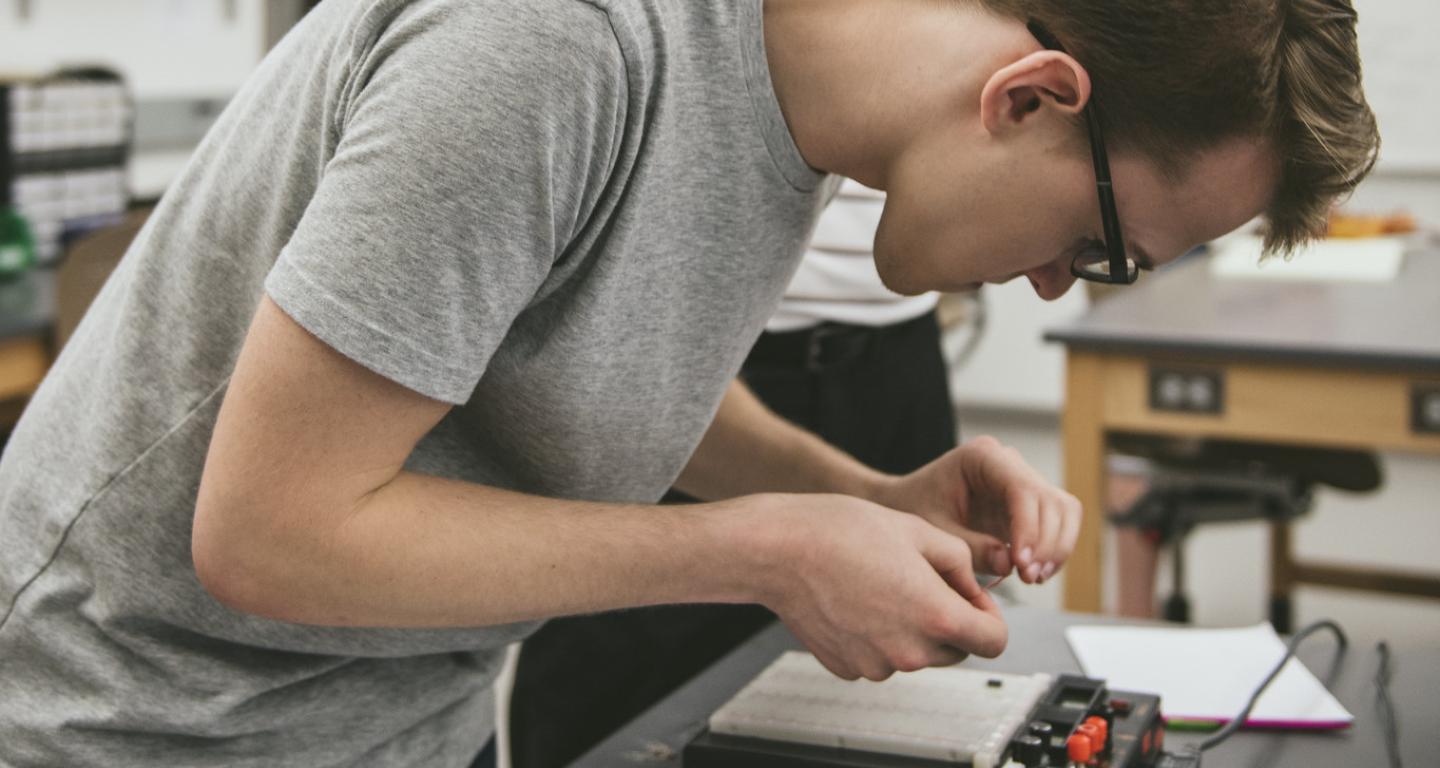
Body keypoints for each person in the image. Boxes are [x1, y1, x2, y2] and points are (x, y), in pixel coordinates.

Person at [0, 0, 1376, 766]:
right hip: (138, 724)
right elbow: (270, 534)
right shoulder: (552, 46)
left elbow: (531, 345)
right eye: (1100, 245)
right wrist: (767, 552)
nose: (1059, 289)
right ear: (1028, 97)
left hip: (392, 725)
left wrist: (859, 495)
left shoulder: (791, 109)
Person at [508, 179, 964, 768]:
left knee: (863, 705)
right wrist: (775, 552)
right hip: (727, 342)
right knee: (624, 692)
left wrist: (878, 497)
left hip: (894, 358)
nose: (1054, 283)